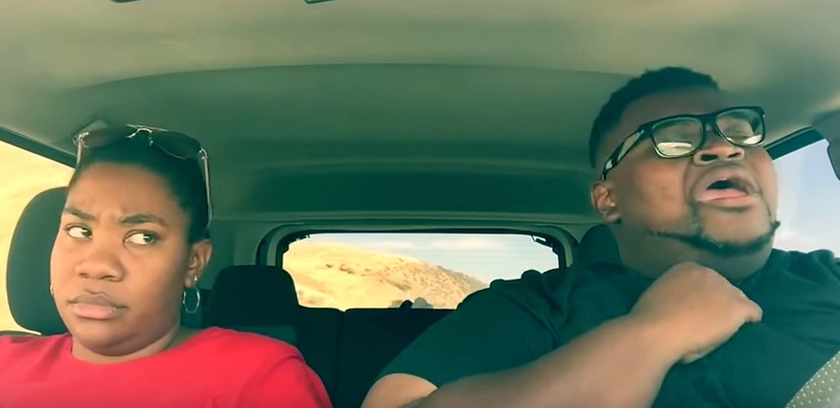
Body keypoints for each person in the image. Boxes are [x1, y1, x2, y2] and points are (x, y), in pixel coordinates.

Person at [362, 67, 840, 408]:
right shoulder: (537, 307)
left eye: (739, 131)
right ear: (608, 200)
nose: (721, 147)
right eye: (673, 138)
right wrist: (652, 335)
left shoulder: (831, 279)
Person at [0, 126, 332, 408]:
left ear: (193, 262)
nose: (97, 265)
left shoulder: (259, 379)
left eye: (142, 237)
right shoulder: (4, 360)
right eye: (79, 231)